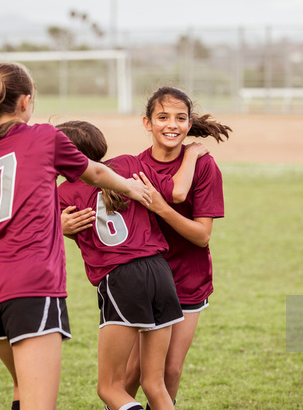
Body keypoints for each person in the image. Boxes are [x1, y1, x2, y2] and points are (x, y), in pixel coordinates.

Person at [0, 63, 151, 410]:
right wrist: (130, 187)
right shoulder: (45, 137)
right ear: (24, 102)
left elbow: (1, 218)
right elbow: (93, 171)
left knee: (24, 388)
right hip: (30, 287)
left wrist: (55, 224)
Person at [63, 87, 231, 406]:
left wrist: (163, 207)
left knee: (167, 372)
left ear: (189, 122)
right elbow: (101, 221)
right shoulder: (131, 165)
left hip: (186, 280)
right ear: (147, 123)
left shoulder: (205, 167)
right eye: (163, 117)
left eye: (180, 118)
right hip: (148, 275)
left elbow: (202, 236)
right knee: (129, 377)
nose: (172, 124)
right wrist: (67, 229)